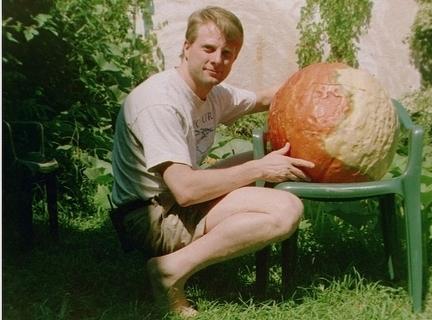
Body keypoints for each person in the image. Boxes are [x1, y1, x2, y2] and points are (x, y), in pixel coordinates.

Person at [111, 5, 314, 317]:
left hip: (173, 197)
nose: (217, 60)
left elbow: (262, 99)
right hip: (149, 215)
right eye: (208, 48)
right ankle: (170, 270)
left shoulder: (213, 93)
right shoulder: (161, 102)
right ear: (186, 47)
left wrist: (315, 84)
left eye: (228, 53)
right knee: (285, 209)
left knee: (268, 153)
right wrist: (259, 168)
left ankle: (216, 240)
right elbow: (186, 191)